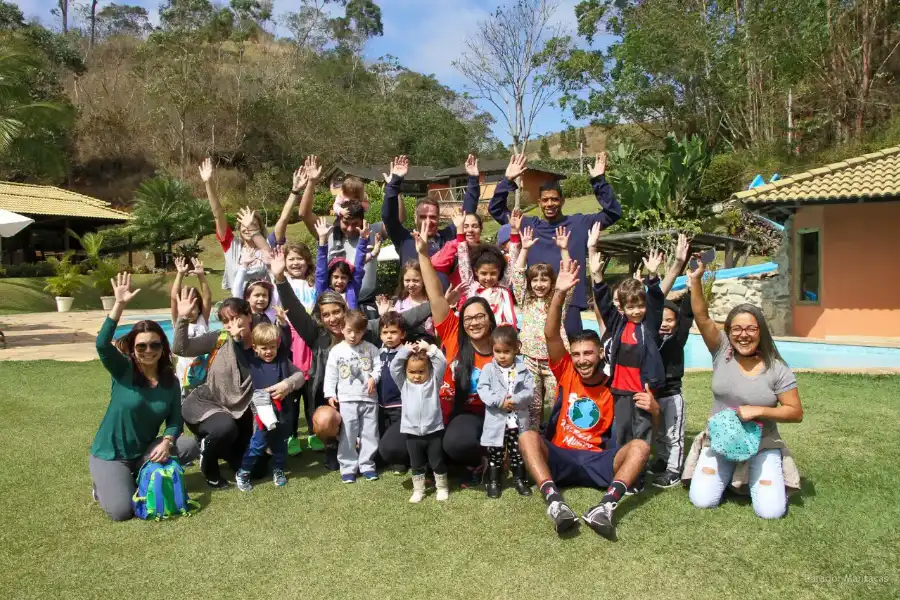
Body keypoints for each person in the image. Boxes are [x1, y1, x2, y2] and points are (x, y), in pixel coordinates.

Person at [519, 261, 653, 540]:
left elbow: (648, 423)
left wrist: (655, 409)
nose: (581, 360)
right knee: (528, 436)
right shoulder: (566, 370)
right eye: (577, 354)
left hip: (598, 459)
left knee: (640, 447)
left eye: (588, 354)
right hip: (562, 455)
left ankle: (605, 507)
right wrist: (559, 293)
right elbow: (551, 334)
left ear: (601, 355)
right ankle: (555, 501)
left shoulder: (615, 384)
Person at [268, 247, 432, 473]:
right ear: (321, 317)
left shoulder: (366, 329)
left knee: (385, 451)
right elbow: (294, 311)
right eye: (326, 314)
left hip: (368, 404)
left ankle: (365, 445)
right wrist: (280, 279)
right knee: (324, 419)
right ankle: (332, 445)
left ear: (345, 311)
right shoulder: (317, 335)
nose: (332, 318)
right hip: (337, 404)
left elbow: (404, 320)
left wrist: (437, 301)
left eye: (336, 312)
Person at [683, 256, 803, 519]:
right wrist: (695, 280)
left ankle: (754, 476)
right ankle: (731, 477)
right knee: (702, 500)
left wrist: (759, 410)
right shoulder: (722, 350)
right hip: (720, 439)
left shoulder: (777, 368)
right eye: (736, 329)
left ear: (761, 331)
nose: (743, 334)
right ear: (728, 332)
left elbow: (795, 412)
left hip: (762, 443)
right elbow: (702, 317)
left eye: (750, 328)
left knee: (771, 511)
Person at [89, 272, 199, 521]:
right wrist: (119, 305)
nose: (148, 351)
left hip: (144, 451)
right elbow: (102, 345)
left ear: (163, 348)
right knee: (121, 512)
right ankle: (103, 485)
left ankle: (137, 474)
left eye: (155, 345)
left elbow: (174, 421)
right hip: (111, 455)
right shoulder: (123, 370)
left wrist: (167, 442)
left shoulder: (170, 381)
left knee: (189, 445)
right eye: (141, 346)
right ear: (133, 349)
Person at [173, 294, 303, 488]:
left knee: (258, 469)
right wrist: (183, 319)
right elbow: (180, 348)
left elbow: (298, 375)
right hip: (209, 404)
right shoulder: (220, 338)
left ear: (249, 315)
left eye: (235, 318)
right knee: (224, 428)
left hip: (241, 413)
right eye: (226, 321)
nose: (230, 324)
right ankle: (209, 464)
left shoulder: (264, 345)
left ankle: (219, 447)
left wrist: (286, 385)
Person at [488, 153, 622, 336]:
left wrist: (599, 181)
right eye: (545, 200)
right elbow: (496, 209)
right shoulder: (528, 225)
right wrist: (508, 180)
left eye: (554, 199)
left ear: (562, 201)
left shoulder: (579, 224)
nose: (550, 204)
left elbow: (613, 213)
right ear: (539, 203)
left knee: (571, 356)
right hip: (537, 304)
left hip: (570, 304)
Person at [415, 221, 495, 486]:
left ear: (491, 320)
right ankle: (443, 463)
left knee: (456, 441)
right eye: (468, 318)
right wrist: (424, 255)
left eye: (480, 317)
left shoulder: (499, 347)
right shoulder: (451, 332)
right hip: (441, 410)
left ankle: (480, 458)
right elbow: (436, 295)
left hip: (474, 417)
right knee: (394, 447)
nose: (473, 323)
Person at [590, 231, 666, 462]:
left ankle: (638, 475)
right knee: (621, 432)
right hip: (620, 390)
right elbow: (604, 305)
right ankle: (622, 471)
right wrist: (597, 277)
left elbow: (656, 302)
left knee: (641, 433)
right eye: (631, 307)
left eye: (640, 306)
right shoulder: (618, 323)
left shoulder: (649, 324)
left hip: (641, 391)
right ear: (622, 308)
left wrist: (653, 276)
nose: (637, 311)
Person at [295, 155, 384, 319]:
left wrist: (395, 187)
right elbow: (304, 213)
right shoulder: (326, 232)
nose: (350, 228)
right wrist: (312, 182)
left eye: (355, 223)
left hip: (364, 306)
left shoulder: (371, 231)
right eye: (345, 222)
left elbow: (397, 220)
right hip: (331, 306)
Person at [512, 225, 574, 430]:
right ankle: (533, 438)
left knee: (559, 401)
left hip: (553, 361)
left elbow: (568, 278)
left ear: (552, 282)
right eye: (535, 280)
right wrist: (525, 249)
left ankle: (558, 435)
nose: (539, 284)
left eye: (544, 279)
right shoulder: (525, 300)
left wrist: (564, 249)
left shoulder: (558, 301)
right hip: (530, 359)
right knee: (533, 405)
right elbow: (517, 275)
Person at [382, 155, 479, 288]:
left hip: (445, 304)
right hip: (415, 305)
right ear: (415, 218)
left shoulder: (447, 237)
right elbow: (389, 217)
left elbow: (466, 215)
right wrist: (395, 182)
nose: (428, 221)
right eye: (423, 216)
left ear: (439, 218)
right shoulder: (404, 238)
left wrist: (473, 179)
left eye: (433, 217)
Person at [235, 323, 305, 492]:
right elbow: (239, 352)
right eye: (264, 348)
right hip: (263, 407)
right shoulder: (253, 361)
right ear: (255, 348)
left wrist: (282, 323)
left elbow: (287, 340)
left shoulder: (281, 359)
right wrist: (237, 338)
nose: (268, 351)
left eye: (272, 347)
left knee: (279, 442)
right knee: (258, 443)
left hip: (282, 407)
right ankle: (243, 472)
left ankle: (278, 470)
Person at [649, 234, 692, 489]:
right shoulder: (652, 338)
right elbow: (652, 306)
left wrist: (689, 274)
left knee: (674, 434)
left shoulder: (678, 339)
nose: (665, 323)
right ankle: (663, 460)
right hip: (655, 394)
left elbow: (688, 310)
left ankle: (674, 470)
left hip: (673, 395)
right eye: (662, 319)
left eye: (670, 320)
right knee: (660, 434)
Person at [324, 310, 383, 483]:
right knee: (348, 434)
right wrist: (330, 394)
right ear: (342, 329)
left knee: (370, 433)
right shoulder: (336, 351)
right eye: (349, 331)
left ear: (364, 331)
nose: (353, 336)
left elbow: (378, 367)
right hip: (347, 400)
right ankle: (348, 468)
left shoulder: (371, 349)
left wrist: (373, 377)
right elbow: (331, 374)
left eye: (357, 332)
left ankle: (367, 465)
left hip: (369, 399)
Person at [477, 325, 535, 498]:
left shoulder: (523, 369)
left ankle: (520, 480)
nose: (502, 356)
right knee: (495, 452)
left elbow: (529, 392)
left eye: (506, 351)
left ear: (516, 348)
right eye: (497, 351)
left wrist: (515, 400)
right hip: (497, 422)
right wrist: (499, 401)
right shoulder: (489, 369)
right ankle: (494, 481)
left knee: (517, 453)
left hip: (516, 422)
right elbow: (483, 389)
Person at [199, 158, 272, 291]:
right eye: (244, 225)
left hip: (264, 305)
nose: (248, 228)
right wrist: (208, 183)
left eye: (253, 224)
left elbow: (270, 254)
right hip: (238, 306)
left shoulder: (265, 246)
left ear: (259, 228)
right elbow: (218, 214)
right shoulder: (232, 245)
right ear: (239, 229)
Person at [390, 340, 449, 503]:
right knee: (416, 464)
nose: (416, 376)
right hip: (412, 432)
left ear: (429, 370)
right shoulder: (403, 383)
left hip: (433, 431)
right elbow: (393, 367)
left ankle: (442, 487)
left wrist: (429, 348)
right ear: (406, 371)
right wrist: (403, 351)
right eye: (411, 372)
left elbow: (442, 362)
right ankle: (419, 490)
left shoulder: (434, 382)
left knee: (437, 462)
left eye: (421, 371)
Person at [457, 211, 521, 327]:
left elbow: (513, 262)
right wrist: (460, 231)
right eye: (484, 273)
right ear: (476, 272)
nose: (488, 278)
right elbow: (463, 262)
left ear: (499, 272)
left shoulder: (503, 286)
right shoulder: (472, 288)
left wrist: (514, 232)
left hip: (499, 338)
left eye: (493, 273)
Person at [170, 256, 212, 398]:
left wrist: (201, 276)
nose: (190, 310)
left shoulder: (202, 320)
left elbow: (207, 297)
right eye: (187, 306)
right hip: (184, 373)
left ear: (200, 308)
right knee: (185, 401)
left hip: (205, 370)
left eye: (194, 306)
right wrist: (180, 274)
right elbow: (173, 298)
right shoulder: (179, 322)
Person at [376, 311, 411, 474]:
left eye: (393, 332)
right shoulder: (379, 353)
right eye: (385, 332)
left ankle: (402, 461)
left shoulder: (406, 353)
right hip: (383, 403)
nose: (389, 336)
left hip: (400, 403)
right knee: (384, 430)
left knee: (401, 432)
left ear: (402, 334)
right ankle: (385, 459)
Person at [313, 217, 374, 310]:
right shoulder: (324, 291)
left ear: (349, 278)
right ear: (330, 277)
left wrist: (362, 240)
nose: (340, 281)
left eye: (343, 277)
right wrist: (322, 239)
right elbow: (321, 272)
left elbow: (358, 266)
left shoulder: (352, 289)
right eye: (336, 277)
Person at [389, 260, 434, 336]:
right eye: (407, 280)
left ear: (423, 280)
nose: (411, 284)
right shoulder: (399, 303)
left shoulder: (431, 301)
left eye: (415, 280)